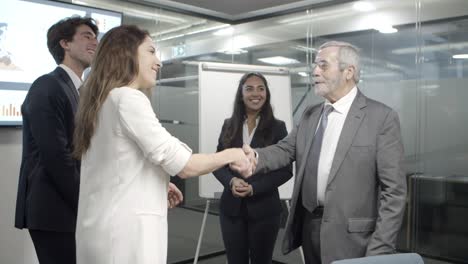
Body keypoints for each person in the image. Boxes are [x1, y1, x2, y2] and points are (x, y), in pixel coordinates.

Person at [72, 25, 250, 264]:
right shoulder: (128, 98)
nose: (159, 62)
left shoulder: (103, 99)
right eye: (151, 51)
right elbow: (185, 166)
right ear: (127, 53)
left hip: (102, 232)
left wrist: (160, 183)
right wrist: (233, 153)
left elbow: (116, 165)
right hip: (125, 239)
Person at [235, 41, 407, 264]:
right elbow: (286, 149)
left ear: (349, 72)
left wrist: (380, 250)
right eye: (315, 65)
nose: (315, 71)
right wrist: (256, 158)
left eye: (323, 65)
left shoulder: (381, 118)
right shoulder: (311, 114)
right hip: (310, 227)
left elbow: (394, 192)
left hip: (355, 238)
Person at [14, 16, 98, 264]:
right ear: (65, 44)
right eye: (87, 36)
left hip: (70, 208)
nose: (95, 42)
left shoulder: (78, 91)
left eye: (95, 36)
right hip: (53, 211)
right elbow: (56, 157)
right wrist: (87, 203)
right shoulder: (47, 86)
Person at [213, 72, 293, 264]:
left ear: (266, 94)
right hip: (231, 210)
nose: (255, 93)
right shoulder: (229, 125)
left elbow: (285, 170)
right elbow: (217, 163)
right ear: (241, 94)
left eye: (261, 88)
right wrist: (231, 181)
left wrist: (254, 188)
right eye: (249, 88)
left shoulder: (277, 127)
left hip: (265, 209)